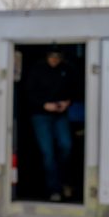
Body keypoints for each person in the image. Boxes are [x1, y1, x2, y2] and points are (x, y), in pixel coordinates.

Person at [24, 47, 73, 202]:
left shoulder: (66, 70)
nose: (55, 60)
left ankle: (63, 179)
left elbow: (76, 89)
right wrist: (44, 105)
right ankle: (54, 189)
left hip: (60, 114)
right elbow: (28, 94)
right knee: (48, 152)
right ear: (46, 57)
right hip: (41, 115)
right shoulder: (37, 71)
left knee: (66, 145)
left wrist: (67, 102)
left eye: (58, 57)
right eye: (52, 56)